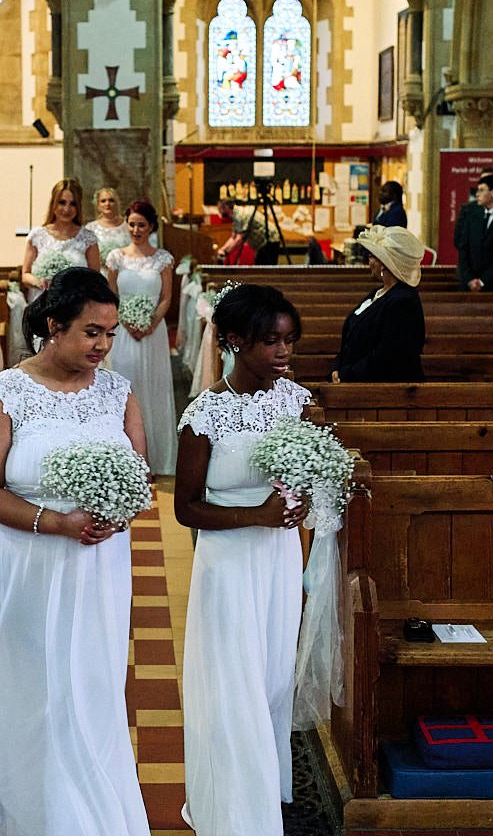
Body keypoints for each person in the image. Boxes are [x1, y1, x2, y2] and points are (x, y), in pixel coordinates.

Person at [0, 267, 150, 836]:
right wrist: (55, 522)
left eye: (110, 332)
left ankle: (81, 812)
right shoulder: (5, 393)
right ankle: (20, 810)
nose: (103, 345)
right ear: (54, 326)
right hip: (21, 564)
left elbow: (138, 475)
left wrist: (116, 510)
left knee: (87, 682)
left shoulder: (118, 392)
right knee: (26, 686)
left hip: (96, 564)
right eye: (91, 332)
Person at [175, 284, 312, 834]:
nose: (283, 353)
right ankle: (233, 809)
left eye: (289, 341)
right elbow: (185, 508)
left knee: (273, 677)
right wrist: (255, 515)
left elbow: (300, 471)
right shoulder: (204, 415)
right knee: (234, 687)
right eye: (270, 341)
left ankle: (262, 786)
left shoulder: (294, 400)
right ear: (234, 341)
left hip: (278, 559)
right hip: (229, 562)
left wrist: (306, 494)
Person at [106, 200, 176, 475]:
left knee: (153, 387)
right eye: (132, 224)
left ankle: (156, 459)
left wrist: (149, 323)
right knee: (126, 385)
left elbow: (167, 297)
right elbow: (110, 297)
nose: (136, 229)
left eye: (141, 225)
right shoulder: (116, 257)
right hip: (123, 331)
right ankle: (125, 458)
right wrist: (127, 320)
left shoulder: (163, 259)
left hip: (153, 332)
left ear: (151, 227)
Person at [330, 225, 426, 383]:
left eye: (372, 256)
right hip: (355, 381)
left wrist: (347, 374)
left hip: (384, 392)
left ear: (384, 263)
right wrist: (337, 366)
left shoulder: (403, 301)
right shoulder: (379, 293)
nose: (369, 261)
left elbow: (389, 355)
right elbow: (352, 335)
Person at [21, 179, 101, 301]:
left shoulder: (88, 239)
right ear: (53, 203)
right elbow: (25, 274)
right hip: (42, 301)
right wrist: (39, 282)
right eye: (62, 202)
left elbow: (95, 278)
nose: (66, 209)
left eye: (72, 204)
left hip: (75, 304)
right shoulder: (37, 235)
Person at [84, 186, 131, 258]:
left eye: (111, 200)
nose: (107, 204)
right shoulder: (90, 228)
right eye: (103, 201)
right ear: (98, 205)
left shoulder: (128, 226)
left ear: (117, 203)